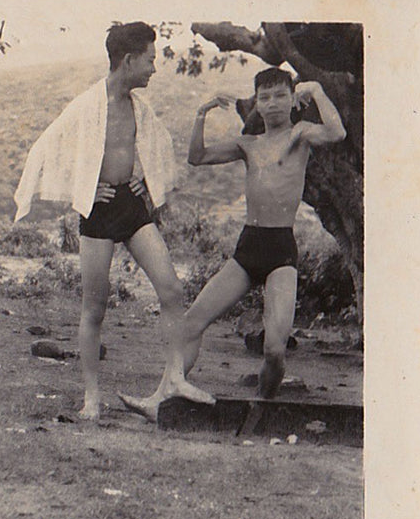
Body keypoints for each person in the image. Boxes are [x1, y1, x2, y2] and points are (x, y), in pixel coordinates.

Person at [119, 67, 346, 421]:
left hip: (281, 251)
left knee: (274, 350)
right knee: (192, 322)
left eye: (280, 95)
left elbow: (336, 131)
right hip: (248, 248)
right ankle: (162, 397)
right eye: (265, 97)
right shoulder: (248, 144)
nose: (272, 104)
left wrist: (315, 88)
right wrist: (201, 113)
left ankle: (262, 410)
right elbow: (198, 157)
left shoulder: (300, 135)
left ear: (291, 100)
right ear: (256, 103)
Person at [14, 22, 215, 421]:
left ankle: (173, 380)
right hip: (99, 211)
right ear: (128, 60)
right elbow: (46, 148)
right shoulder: (89, 105)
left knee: (172, 290)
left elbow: (158, 143)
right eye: (150, 60)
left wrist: (147, 177)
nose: (154, 69)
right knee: (95, 308)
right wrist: (82, 190)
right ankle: (92, 401)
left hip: (131, 205)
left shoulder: (140, 106)